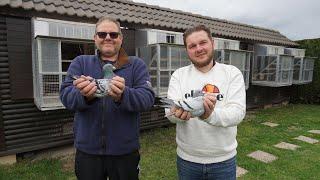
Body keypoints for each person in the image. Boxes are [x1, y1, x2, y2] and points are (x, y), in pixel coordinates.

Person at [60, 17, 155, 180]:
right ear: (95, 38)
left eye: (113, 34)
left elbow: (147, 98)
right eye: (102, 34)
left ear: (121, 38)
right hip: (88, 152)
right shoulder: (81, 63)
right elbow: (65, 95)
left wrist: (123, 95)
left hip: (125, 152)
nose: (108, 38)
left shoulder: (136, 65)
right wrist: (85, 97)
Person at [165, 25, 246, 180]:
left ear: (212, 43)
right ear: (187, 50)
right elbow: (169, 112)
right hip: (188, 159)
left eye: (203, 43)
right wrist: (177, 115)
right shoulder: (179, 75)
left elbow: (238, 113)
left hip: (223, 160)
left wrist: (208, 115)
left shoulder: (231, 73)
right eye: (192, 46)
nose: (198, 48)